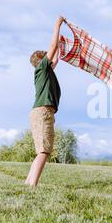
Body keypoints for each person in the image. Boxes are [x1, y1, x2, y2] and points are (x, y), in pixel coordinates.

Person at [25, 16, 65, 186]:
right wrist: (57, 25)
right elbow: (53, 48)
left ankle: (28, 182)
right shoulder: (42, 68)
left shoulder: (46, 72)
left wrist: (62, 44)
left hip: (42, 112)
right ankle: (32, 184)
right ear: (42, 61)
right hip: (43, 112)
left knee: (43, 149)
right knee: (44, 150)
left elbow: (56, 57)